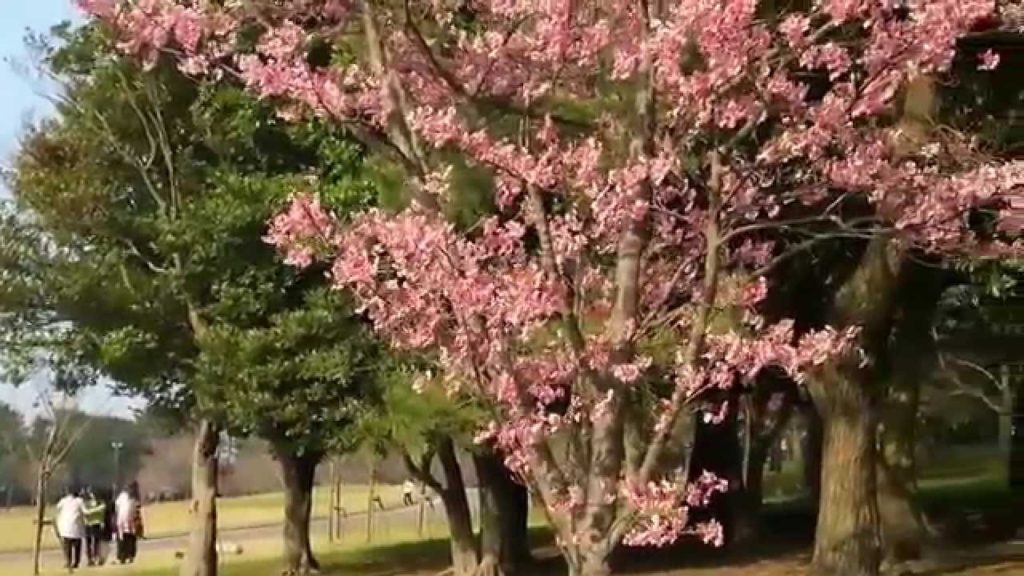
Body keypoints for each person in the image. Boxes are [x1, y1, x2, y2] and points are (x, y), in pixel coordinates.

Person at [55, 486, 86, 570]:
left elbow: (57, 508)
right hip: (76, 528)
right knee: (77, 546)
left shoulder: (64, 501)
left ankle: (68, 561)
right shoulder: (79, 501)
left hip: (65, 528)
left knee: (67, 546)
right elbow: (85, 511)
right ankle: (76, 562)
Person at [115, 482, 144, 564]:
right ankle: (122, 557)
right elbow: (117, 506)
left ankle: (130, 556)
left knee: (130, 539)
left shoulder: (134, 498)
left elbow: (138, 509)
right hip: (122, 521)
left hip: (131, 521)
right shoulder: (122, 496)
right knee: (123, 539)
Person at [83, 488, 107, 566]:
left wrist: (92, 512)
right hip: (88, 524)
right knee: (88, 543)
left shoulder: (100, 502)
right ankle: (90, 559)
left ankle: (97, 557)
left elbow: (103, 510)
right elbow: (85, 512)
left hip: (96, 523)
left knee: (97, 542)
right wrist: (96, 510)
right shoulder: (85, 502)